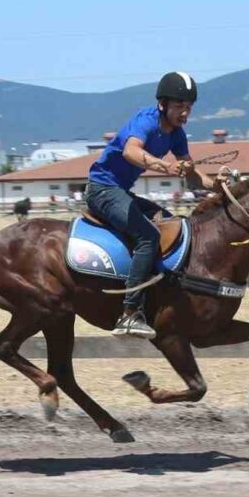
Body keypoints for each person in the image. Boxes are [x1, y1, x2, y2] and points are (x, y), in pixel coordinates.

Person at [86, 71, 205, 338]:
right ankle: (129, 313)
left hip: (120, 192)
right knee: (148, 236)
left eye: (189, 107)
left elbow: (193, 175)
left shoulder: (177, 134)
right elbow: (131, 151)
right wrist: (165, 166)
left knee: (172, 224)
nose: (185, 112)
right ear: (162, 104)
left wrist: (218, 184)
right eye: (179, 105)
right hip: (102, 190)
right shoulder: (146, 120)